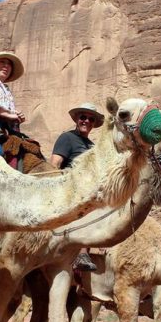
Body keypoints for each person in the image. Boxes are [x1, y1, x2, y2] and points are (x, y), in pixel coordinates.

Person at [51, 103, 105, 272]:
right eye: (83, 117)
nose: (86, 121)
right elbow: (55, 164)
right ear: (77, 119)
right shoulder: (67, 138)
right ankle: (81, 254)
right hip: (70, 187)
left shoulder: (92, 146)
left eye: (91, 119)